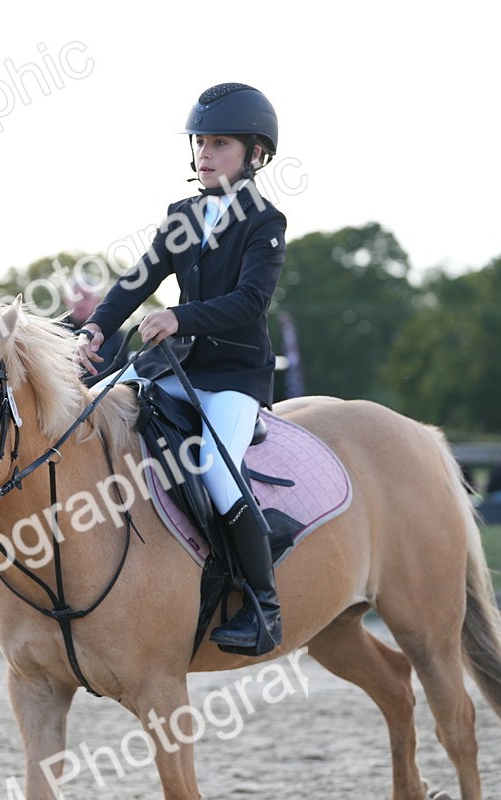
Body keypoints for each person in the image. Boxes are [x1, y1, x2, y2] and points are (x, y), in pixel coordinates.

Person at [75, 83, 286, 655]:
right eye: (201, 142)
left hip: (234, 375)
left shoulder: (265, 221)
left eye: (220, 143)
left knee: (217, 469)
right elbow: (137, 280)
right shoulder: (182, 216)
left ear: (254, 155)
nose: (205, 153)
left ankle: (263, 607)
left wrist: (179, 316)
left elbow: (251, 302)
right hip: (174, 365)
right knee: (89, 412)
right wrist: (99, 326)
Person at [65, 277, 125, 378]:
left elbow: (122, 375)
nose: (80, 303)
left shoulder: (115, 336)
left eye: (86, 297)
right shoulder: (54, 332)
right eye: (75, 296)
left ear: (97, 301)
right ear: (66, 300)